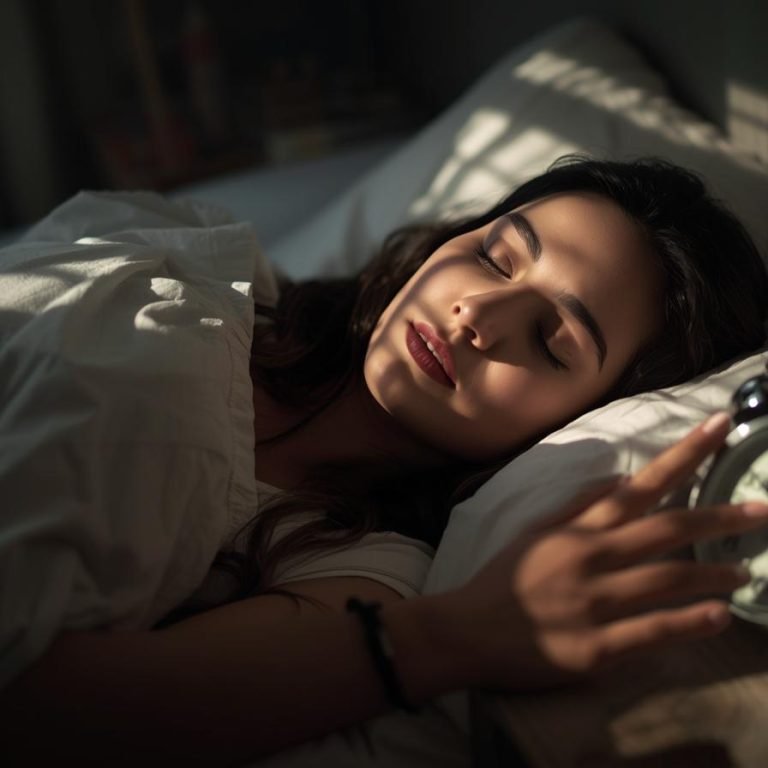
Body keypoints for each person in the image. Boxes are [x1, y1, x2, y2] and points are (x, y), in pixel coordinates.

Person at [2, 156, 768, 765]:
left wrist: (462, 632)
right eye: (497, 258)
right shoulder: (196, 258)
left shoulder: (360, 572)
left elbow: (45, 720)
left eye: (551, 341)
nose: (477, 315)